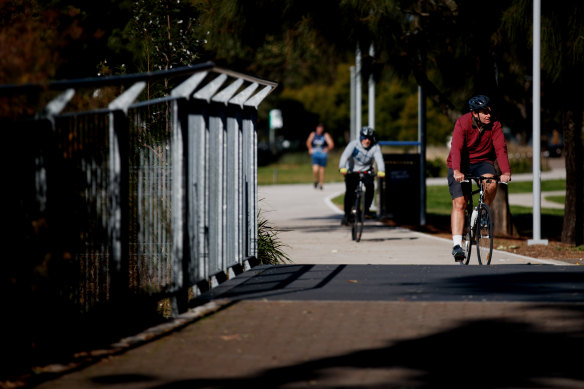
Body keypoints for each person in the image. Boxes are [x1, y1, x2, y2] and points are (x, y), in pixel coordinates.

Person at [447, 95, 512, 261]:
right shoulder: (462, 123)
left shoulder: (495, 125)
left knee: (490, 182)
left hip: (483, 162)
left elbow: (501, 150)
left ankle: (483, 212)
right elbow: (456, 148)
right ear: (475, 113)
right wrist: (456, 170)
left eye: (489, 111)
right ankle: (457, 246)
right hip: (460, 163)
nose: (488, 115)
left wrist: (505, 172)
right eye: (484, 112)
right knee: (460, 203)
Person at [339, 126, 386, 226]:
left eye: (369, 138)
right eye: (364, 138)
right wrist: (342, 167)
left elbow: (379, 160)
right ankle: (347, 215)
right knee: (350, 192)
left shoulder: (375, 147)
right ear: (360, 138)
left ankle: (366, 210)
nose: (367, 141)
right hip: (352, 171)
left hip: (366, 171)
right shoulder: (353, 144)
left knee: (370, 187)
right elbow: (344, 156)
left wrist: (381, 171)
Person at [306, 123, 334, 190]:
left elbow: (331, 144)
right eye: (318, 128)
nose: (319, 130)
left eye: (321, 128)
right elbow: (308, 142)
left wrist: (327, 148)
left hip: (323, 155)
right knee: (315, 170)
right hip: (315, 154)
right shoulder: (313, 134)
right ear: (316, 129)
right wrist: (310, 148)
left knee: (322, 170)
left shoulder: (325, 135)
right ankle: (316, 180)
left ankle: (321, 184)